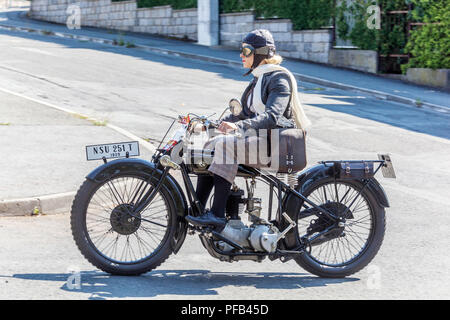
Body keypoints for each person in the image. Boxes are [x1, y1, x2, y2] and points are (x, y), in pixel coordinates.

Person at [185, 29, 311, 230]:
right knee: (208, 146)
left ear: (261, 53)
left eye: (246, 50)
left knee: (225, 146)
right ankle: (197, 209)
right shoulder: (258, 79)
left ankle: (217, 215)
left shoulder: (278, 79)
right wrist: (209, 125)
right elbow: (241, 114)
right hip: (259, 139)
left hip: (272, 144)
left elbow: (272, 116)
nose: (241, 55)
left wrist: (237, 126)